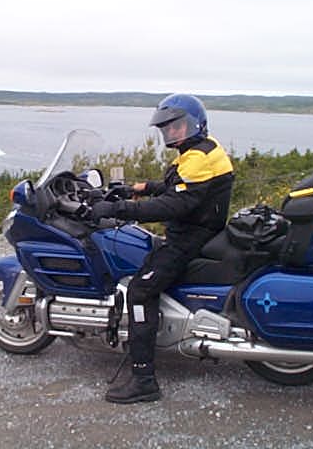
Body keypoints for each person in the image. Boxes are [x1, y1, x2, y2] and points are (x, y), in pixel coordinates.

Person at [91, 93, 234, 404]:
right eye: (167, 129)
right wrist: (135, 188)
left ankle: (143, 379)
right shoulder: (199, 152)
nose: (171, 133)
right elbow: (176, 186)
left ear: (195, 123)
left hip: (191, 237)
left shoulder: (198, 157)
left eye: (177, 127)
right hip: (200, 230)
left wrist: (120, 210)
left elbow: (174, 203)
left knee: (141, 291)